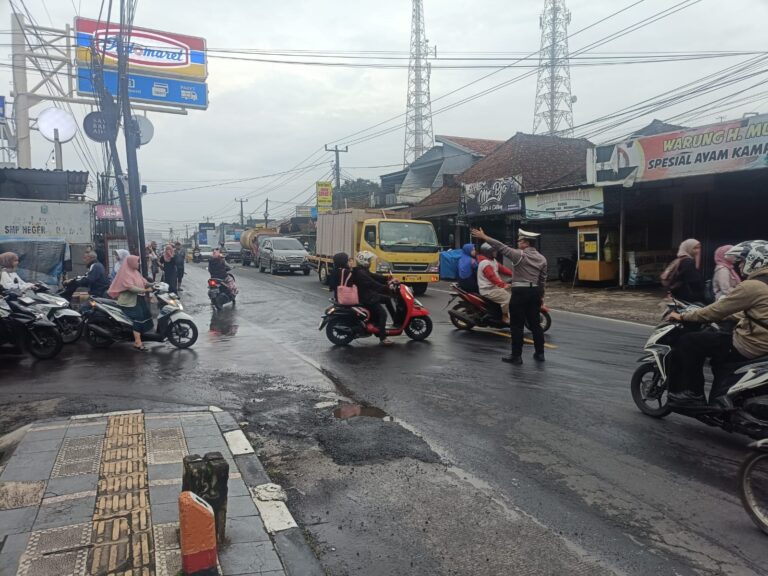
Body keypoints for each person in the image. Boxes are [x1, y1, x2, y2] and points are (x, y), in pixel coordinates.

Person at [668, 240, 768, 407]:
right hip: (762, 341)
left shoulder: (753, 286)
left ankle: (693, 393)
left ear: (755, 260)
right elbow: (755, 313)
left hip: (751, 344)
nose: (739, 265)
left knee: (690, 341)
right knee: (719, 355)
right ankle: (723, 393)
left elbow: (715, 311)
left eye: (742, 261)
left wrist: (684, 317)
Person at [471, 228, 548, 364]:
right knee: (536, 325)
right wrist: (541, 296)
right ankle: (540, 354)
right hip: (535, 292)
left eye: (519, 241)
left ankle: (516, 356)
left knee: (517, 325)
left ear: (525, 243)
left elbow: (501, 246)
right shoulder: (542, 259)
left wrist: (484, 236)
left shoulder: (519, 255)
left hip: (520, 293)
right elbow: (542, 280)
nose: (517, 243)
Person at [108, 254, 153, 351]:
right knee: (138, 317)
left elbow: (143, 282)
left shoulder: (135, 272)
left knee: (146, 314)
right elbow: (131, 287)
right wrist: (145, 291)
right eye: (137, 261)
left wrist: (153, 284)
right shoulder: (125, 274)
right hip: (129, 302)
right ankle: (137, 342)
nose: (139, 263)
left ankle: (140, 336)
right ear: (131, 262)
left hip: (138, 299)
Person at [352, 251, 394, 346]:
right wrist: (386, 287)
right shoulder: (361, 273)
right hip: (367, 298)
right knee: (383, 314)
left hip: (368, 295)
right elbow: (373, 283)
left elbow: (374, 276)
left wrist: (387, 278)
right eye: (369, 260)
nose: (370, 262)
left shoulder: (361, 271)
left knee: (387, 299)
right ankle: (383, 338)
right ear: (364, 261)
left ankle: (395, 320)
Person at [477, 243, 513, 323]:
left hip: (494, 287)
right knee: (508, 299)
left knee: (510, 294)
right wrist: (503, 285)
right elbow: (492, 277)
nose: (495, 252)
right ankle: (505, 316)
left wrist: (514, 275)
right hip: (488, 290)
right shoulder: (485, 263)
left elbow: (503, 269)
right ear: (487, 252)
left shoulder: (492, 261)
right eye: (493, 251)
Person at [667, 239, 706, 304]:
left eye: (699, 248)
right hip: (688, 295)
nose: (698, 250)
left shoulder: (680, 260)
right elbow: (694, 280)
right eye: (695, 248)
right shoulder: (688, 262)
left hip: (679, 293)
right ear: (688, 248)